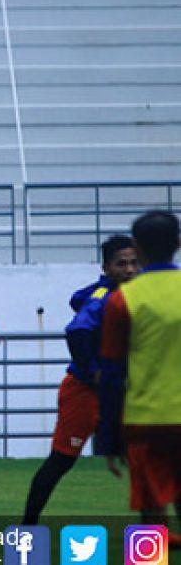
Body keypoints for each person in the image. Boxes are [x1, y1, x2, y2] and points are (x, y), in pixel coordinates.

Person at [21, 235, 138, 524]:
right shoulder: (104, 297)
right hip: (85, 392)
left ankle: (151, 536)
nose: (130, 270)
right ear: (107, 267)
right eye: (121, 264)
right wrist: (95, 373)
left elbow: (76, 298)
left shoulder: (130, 291)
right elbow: (76, 330)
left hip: (125, 393)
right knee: (62, 460)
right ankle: (27, 528)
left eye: (134, 263)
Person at [101, 210, 181, 545]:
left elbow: (112, 374)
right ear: (177, 244)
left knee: (151, 511)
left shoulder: (123, 299)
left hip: (145, 419)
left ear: (138, 247)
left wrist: (108, 438)